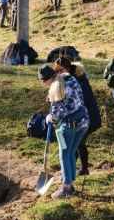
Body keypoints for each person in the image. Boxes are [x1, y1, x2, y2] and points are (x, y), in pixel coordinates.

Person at [38, 65, 89, 199]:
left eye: (44, 82)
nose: (44, 84)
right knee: (71, 152)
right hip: (84, 121)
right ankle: (70, 179)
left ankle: (67, 188)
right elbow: (79, 98)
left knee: (64, 155)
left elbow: (54, 116)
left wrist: (49, 118)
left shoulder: (56, 88)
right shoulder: (69, 78)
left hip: (70, 125)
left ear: (47, 79)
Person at [53, 57, 101, 176]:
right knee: (78, 142)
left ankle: (73, 170)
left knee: (76, 142)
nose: (58, 73)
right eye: (56, 71)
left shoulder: (77, 80)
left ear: (67, 68)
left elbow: (78, 101)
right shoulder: (71, 78)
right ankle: (78, 169)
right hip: (83, 116)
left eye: (60, 70)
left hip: (89, 116)